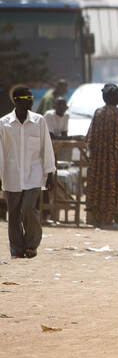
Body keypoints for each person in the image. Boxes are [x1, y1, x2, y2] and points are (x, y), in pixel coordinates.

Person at [0, 87, 56, 258]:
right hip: (12, 175)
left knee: (29, 208)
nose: (30, 101)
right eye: (25, 97)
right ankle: (17, 248)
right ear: (16, 100)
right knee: (14, 213)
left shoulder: (39, 121)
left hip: (34, 174)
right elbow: (0, 151)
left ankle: (31, 244)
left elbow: (46, 147)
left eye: (31, 97)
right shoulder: (4, 123)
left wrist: (50, 173)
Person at [85, 84, 118, 229]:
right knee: (111, 186)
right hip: (112, 159)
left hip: (97, 159)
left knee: (98, 186)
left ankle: (97, 218)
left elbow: (90, 137)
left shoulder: (98, 112)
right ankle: (108, 219)